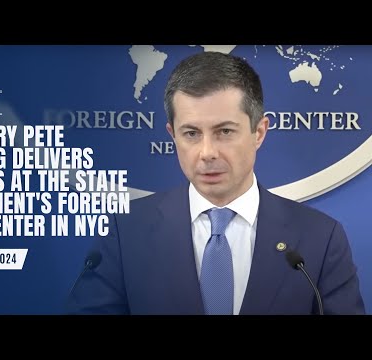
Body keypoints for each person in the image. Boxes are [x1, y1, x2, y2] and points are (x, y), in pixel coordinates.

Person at [66, 51, 365, 315]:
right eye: (191, 133)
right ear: (172, 135)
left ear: (259, 132)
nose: (207, 153)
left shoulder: (320, 239)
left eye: (224, 131)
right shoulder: (125, 232)